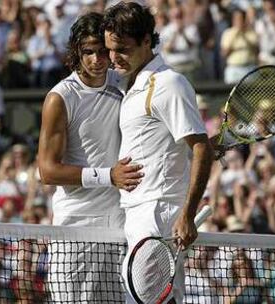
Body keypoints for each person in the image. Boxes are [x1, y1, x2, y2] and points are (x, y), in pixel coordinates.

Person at [103, 2, 214, 303]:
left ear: (147, 42)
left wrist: (188, 215)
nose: (114, 58)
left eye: (122, 49)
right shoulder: (134, 85)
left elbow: (200, 148)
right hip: (138, 212)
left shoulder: (168, 84)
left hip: (159, 213)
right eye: (110, 49)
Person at [37, 12, 143, 302]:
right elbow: (47, 172)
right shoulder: (60, 97)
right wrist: (109, 176)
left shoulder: (125, 85)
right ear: (76, 53)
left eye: (102, 52)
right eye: (88, 52)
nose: (97, 60)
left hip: (118, 226)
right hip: (75, 228)